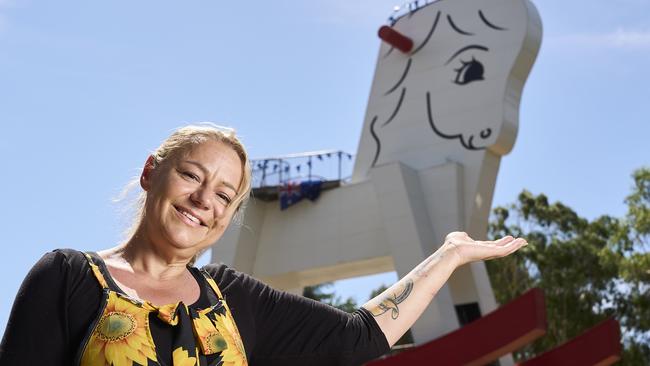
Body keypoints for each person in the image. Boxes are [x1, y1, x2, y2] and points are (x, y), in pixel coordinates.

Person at [0, 124, 527, 366]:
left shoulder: (232, 300)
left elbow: (357, 337)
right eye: (191, 176)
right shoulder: (66, 278)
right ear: (150, 174)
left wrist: (449, 254)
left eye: (224, 195)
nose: (204, 200)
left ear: (228, 218)